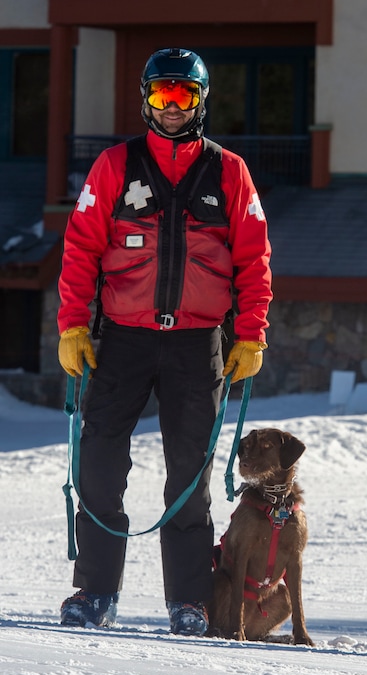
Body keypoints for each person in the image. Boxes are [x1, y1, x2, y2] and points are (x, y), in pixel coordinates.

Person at [56, 48, 272, 635]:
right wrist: (73, 324)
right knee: (99, 465)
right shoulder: (114, 166)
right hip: (121, 339)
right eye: (160, 96)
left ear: (201, 101)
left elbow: (254, 258)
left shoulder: (229, 172)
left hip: (196, 344)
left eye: (183, 96)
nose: (172, 108)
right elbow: (79, 250)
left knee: (189, 475)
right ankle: (96, 592)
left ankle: (189, 600)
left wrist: (249, 334)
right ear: (146, 100)